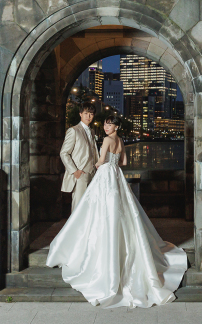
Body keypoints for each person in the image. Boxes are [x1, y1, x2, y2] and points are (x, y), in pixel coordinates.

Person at [46, 115, 187, 308]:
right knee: (123, 211)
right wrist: (112, 164)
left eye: (109, 124)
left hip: (105, 175)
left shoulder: (106, 140)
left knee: (98, 211)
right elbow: (124, 162)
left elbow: (101, 161)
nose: (106, 127)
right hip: (117, 175)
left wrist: (98, 165)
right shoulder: (120, 140)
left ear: (115, 126)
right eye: (105, 124)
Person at [59, 103, 98, 213]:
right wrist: (74, 171)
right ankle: (75, 230)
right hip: (80, 174)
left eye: (91, 114)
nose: (88, 116)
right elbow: (64, 153)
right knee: (78, 206)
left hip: (92, 173)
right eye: (86, 113)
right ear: (80, 114)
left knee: (90, 205)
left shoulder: (92, 131)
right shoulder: (74, 130)